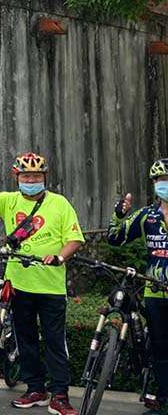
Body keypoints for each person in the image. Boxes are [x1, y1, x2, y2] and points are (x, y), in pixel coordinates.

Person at [0, 152, 84, 415]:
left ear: (44, 177)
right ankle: (35, 389)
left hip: (50, 286)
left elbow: (74, 238)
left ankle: (60, 394)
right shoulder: (10, 201)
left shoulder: (60, 203)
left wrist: (59, 256)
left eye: (36, 175)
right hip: (18, 284)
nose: (31, 180)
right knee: (26, 338)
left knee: (55, 341)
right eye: (26, 176)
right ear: (16, 177)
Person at [108, 158, 168, 415]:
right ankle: (163, 401)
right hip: (155, 292)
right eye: (160, 180)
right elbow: (114, 238)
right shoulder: (147, 216)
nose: (164, 184)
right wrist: (119, 214)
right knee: (160, 350)